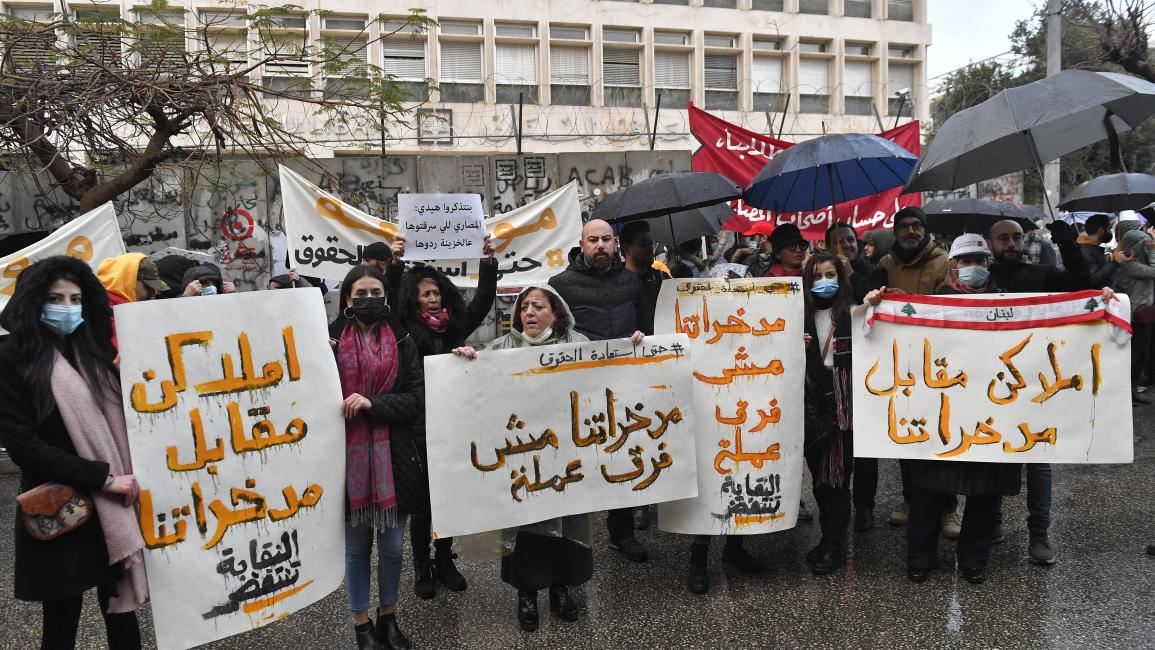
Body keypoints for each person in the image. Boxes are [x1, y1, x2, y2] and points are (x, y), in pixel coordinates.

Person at [0, 256, 147, 649]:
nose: (66, 308)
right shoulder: (13, 358)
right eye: (55, 298)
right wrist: (104, 478)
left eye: (75, 299)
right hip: (60, 510)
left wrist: (126, 377)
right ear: (33, 301)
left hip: (109, 513)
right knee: (61, 623)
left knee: (121, 613)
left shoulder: (91, 352)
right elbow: (23, 446)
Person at [867, 234, 1022, 584]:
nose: (973, 268)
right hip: (942, 413)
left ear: (989, 264)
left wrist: (1102, 299)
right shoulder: (932, 306)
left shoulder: (1011, 302)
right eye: (965, 262)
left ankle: (973, 560)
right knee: (928, 492)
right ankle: (920, 558)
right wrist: (875, 303)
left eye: (979, 261)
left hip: (991, 414)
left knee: (985, 495)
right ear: (952, 266)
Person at [451, 286, 592, 632]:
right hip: (523, 461)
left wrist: (634, 348)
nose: (528, 312)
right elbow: (474, 385)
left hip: (567, 461)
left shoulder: (579, 345)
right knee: (527, 530)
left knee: (565, 527)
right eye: (524, 306)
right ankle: (527, 595)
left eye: (538, 306)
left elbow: (609, 375)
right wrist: (465, 360)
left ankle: (560, 591)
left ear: (556, 313)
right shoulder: (501, 349)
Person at [386, 232, 498, 599]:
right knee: (422, 505)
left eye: (436, 293)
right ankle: (422, 568)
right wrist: (395, 265)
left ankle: (445, 560)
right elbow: (388, 300)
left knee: (447, 499)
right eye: (425, 293)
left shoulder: (453, 328)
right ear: (413, 298)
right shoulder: (404, 330)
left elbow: (481, 303)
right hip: (418, 429)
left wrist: (487, 265)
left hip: (451, 425)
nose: (432, 299)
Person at [985, 218, 1091, 567]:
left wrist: (1069, 245)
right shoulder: (981, 280)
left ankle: (1039, 533)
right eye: (1003, 238)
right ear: (990, 243)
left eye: (1017, 237)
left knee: (1038, 463)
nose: (1011, 244)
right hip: (994, 385)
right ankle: (993, 523)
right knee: (995, 455)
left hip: (1037, 383)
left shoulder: (1043, 274)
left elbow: (1081, 285)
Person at [331, 265, 424, 650]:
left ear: (386, 297)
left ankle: (388, 618)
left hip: (395, 460)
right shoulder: (328, 341)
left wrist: (373, 403)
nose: (368, 300)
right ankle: (362, 626)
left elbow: (417, 400)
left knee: (392, 548)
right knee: (356, 549)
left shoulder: (403, 341)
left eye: (375, 293)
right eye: (360, 294)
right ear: (347, 299)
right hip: (344, 463)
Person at [548, 219, 648, 562]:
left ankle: (622, 533)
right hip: (580, 389)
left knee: (622, 453)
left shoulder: (633, 282)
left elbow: (647, 326)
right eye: (594, 240)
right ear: (581, 243)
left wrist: (642, 337)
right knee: (580, 458)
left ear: (616, 244)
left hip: (625, 385)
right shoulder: (559, 284)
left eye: (607, 239)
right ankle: (574, 537)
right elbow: (552, 337)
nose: (601, 245)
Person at [872, 206, 954, 534]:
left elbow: (955, 306)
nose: (911, 232)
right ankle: (911, 499)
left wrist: (913, 304)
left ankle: (948, 508)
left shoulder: (944, 263)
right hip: (901, 363)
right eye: (904, 226)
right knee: (907, 432)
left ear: (926, 229)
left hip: (940, 362)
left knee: (944, 434)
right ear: (895, 232)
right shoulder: (885, 265)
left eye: (917, 225)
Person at [801, 252, 856, 575]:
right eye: (818, 276)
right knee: (820, 481)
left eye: (831, 274)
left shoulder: (852, 313)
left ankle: (835, 546)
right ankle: (827, 538)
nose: (825, 282)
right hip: (812, 411)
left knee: (837, 481)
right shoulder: (801, 316)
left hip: (843, 411)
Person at [618, 220, 671, 530]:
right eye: (643, 242)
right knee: (634, 432)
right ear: (626, 248)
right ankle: (639, 500)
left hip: (661, 364)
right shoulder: (616, 282)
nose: (650, 247)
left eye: (651, 242)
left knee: (660, 428)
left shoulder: (660, 278)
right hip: (629, 367)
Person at [1111, 227, 1155, 406]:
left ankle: (1132, 391)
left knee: (1140, 356)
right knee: (1134, 357)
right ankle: (1126, 393)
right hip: (1134, 317)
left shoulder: (1135, 263)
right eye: (1142, 244)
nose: (1146, 247)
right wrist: (1152, 250)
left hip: (1142, 315)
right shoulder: (1130, 266)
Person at [825, 223, 885, 304]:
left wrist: (851, 274)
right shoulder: (824, 275)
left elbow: (873, 302)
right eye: (839, 242)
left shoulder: (877, 272)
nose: (846, 245)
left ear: (857, 243)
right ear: (829, 248)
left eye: (851, 240)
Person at [96, 253, 169, 307]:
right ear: (130, 281)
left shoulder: (125, 308)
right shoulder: (101, 308)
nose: (153, 294)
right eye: (148, 286)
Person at [1078, 214, 1119, 289]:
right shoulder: (1086, 250)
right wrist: (1114, 262)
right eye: (1109, 229)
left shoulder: (1091, 248)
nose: (1110, 232)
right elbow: (1093, 279)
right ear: (1101, 231)